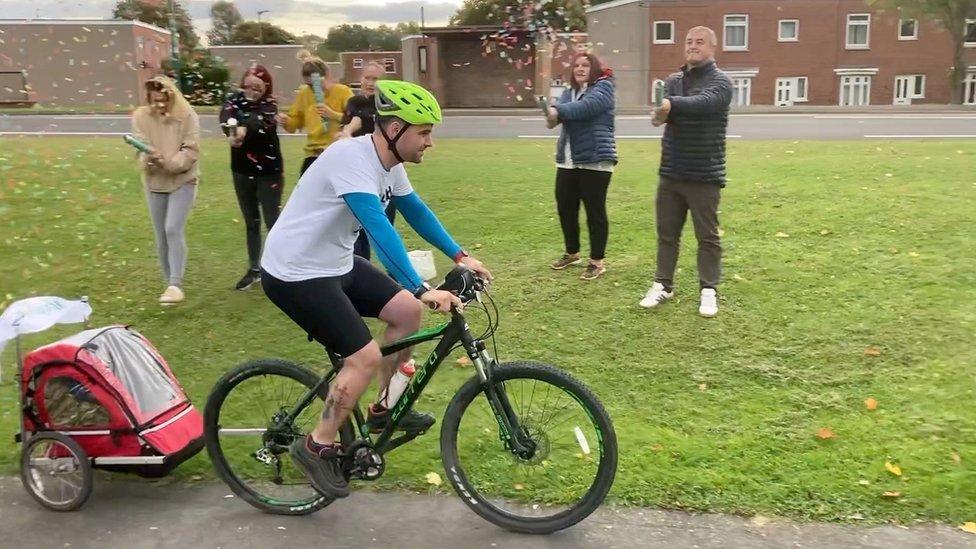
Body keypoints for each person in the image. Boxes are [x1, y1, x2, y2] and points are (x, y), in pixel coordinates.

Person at [259, 80, 492, 499]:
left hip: (336, 262)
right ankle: (318, 444)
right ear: (396, 129)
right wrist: (420, 286)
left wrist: (460, 256)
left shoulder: (389, 162)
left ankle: (385, 410)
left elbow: (414, 210)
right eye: (424, 132)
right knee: (362, 358)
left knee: (406, 313)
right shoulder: (350, 158)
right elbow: (378, 228)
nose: (430, 142)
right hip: (294, 272)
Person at [639, 26, 732, 318]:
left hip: (704, 173)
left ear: (712, 48)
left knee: (707, 237)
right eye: (689, 42)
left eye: (700, 42)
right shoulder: (673, 81)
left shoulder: (722, 82)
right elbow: (661, 117)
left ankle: (709, 289)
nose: (693, 46)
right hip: (672, 172)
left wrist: (669, 104)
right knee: (667, 234)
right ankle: (663, 284)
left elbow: (703, 104)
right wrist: (659, 111)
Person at [545, 53, 617, 281]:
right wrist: (551, 115)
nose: (580, 68)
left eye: (585, 65)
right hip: (567, 160)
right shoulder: (569, 92)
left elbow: (588, 107)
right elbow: (558, 115)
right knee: (566, 208)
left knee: (595, 213)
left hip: (595, 160)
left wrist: (558, 111)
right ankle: (572, 252)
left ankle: (597, 261)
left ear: (594, 68)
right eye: (576, 65)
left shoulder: (604, 88)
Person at [131, 75, 200, 305]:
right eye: (154, 100)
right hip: (155, 183)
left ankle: (175, 283)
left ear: (171, 97)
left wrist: (168, 163)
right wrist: (149, 160)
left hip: (183, 180)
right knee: (161, 235)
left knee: (172, 229)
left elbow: (190, 151)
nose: (159, 105)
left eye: (163, 100)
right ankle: (169, 284)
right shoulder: (141, 117)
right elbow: (139, 149)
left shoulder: (187, 115)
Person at [219, 65, 283, 291]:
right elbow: (226, 116)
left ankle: (279, 268)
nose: (253, 90)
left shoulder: (270, 104)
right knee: (251, 222)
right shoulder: (232, 100)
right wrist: (230, 131)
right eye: (249, 85)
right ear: (242, 83)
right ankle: (254, 269)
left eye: (258, 86)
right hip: (242, 170)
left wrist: (243, 131)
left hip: (269, 171)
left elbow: (260, 121)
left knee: (272, 221)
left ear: (266, 87)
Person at [337, 61, 395, 260]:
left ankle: (394, 275)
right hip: (359, 174)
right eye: (366, 78)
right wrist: (346, 131)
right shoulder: (354, 103)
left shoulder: (388, 105)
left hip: (384, 172)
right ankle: (359, 273)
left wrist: (348, 129)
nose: (370, 82)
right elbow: (355, 119)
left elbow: (366, 119)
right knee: (357, 230)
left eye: (375, 79)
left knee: (384, 228)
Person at [277, 50, 353, 177]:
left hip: (338, 153)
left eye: (317, 82)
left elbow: (355, 119)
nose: (314, 88)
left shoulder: (343, 92)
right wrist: (286, 121)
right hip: (313, 155)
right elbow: (293, 126)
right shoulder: (304, 93)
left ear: (327, 75)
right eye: (309, 84)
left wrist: (332, 114)